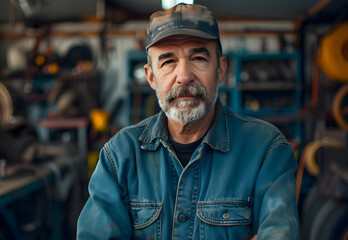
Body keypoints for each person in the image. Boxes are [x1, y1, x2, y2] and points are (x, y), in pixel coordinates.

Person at [77, 3, 299, 240]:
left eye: (199, 58)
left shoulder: (266, 149)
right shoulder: (119, 156)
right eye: (168, 61)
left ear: (221, 69)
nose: (184, 76)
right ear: (151, 77)